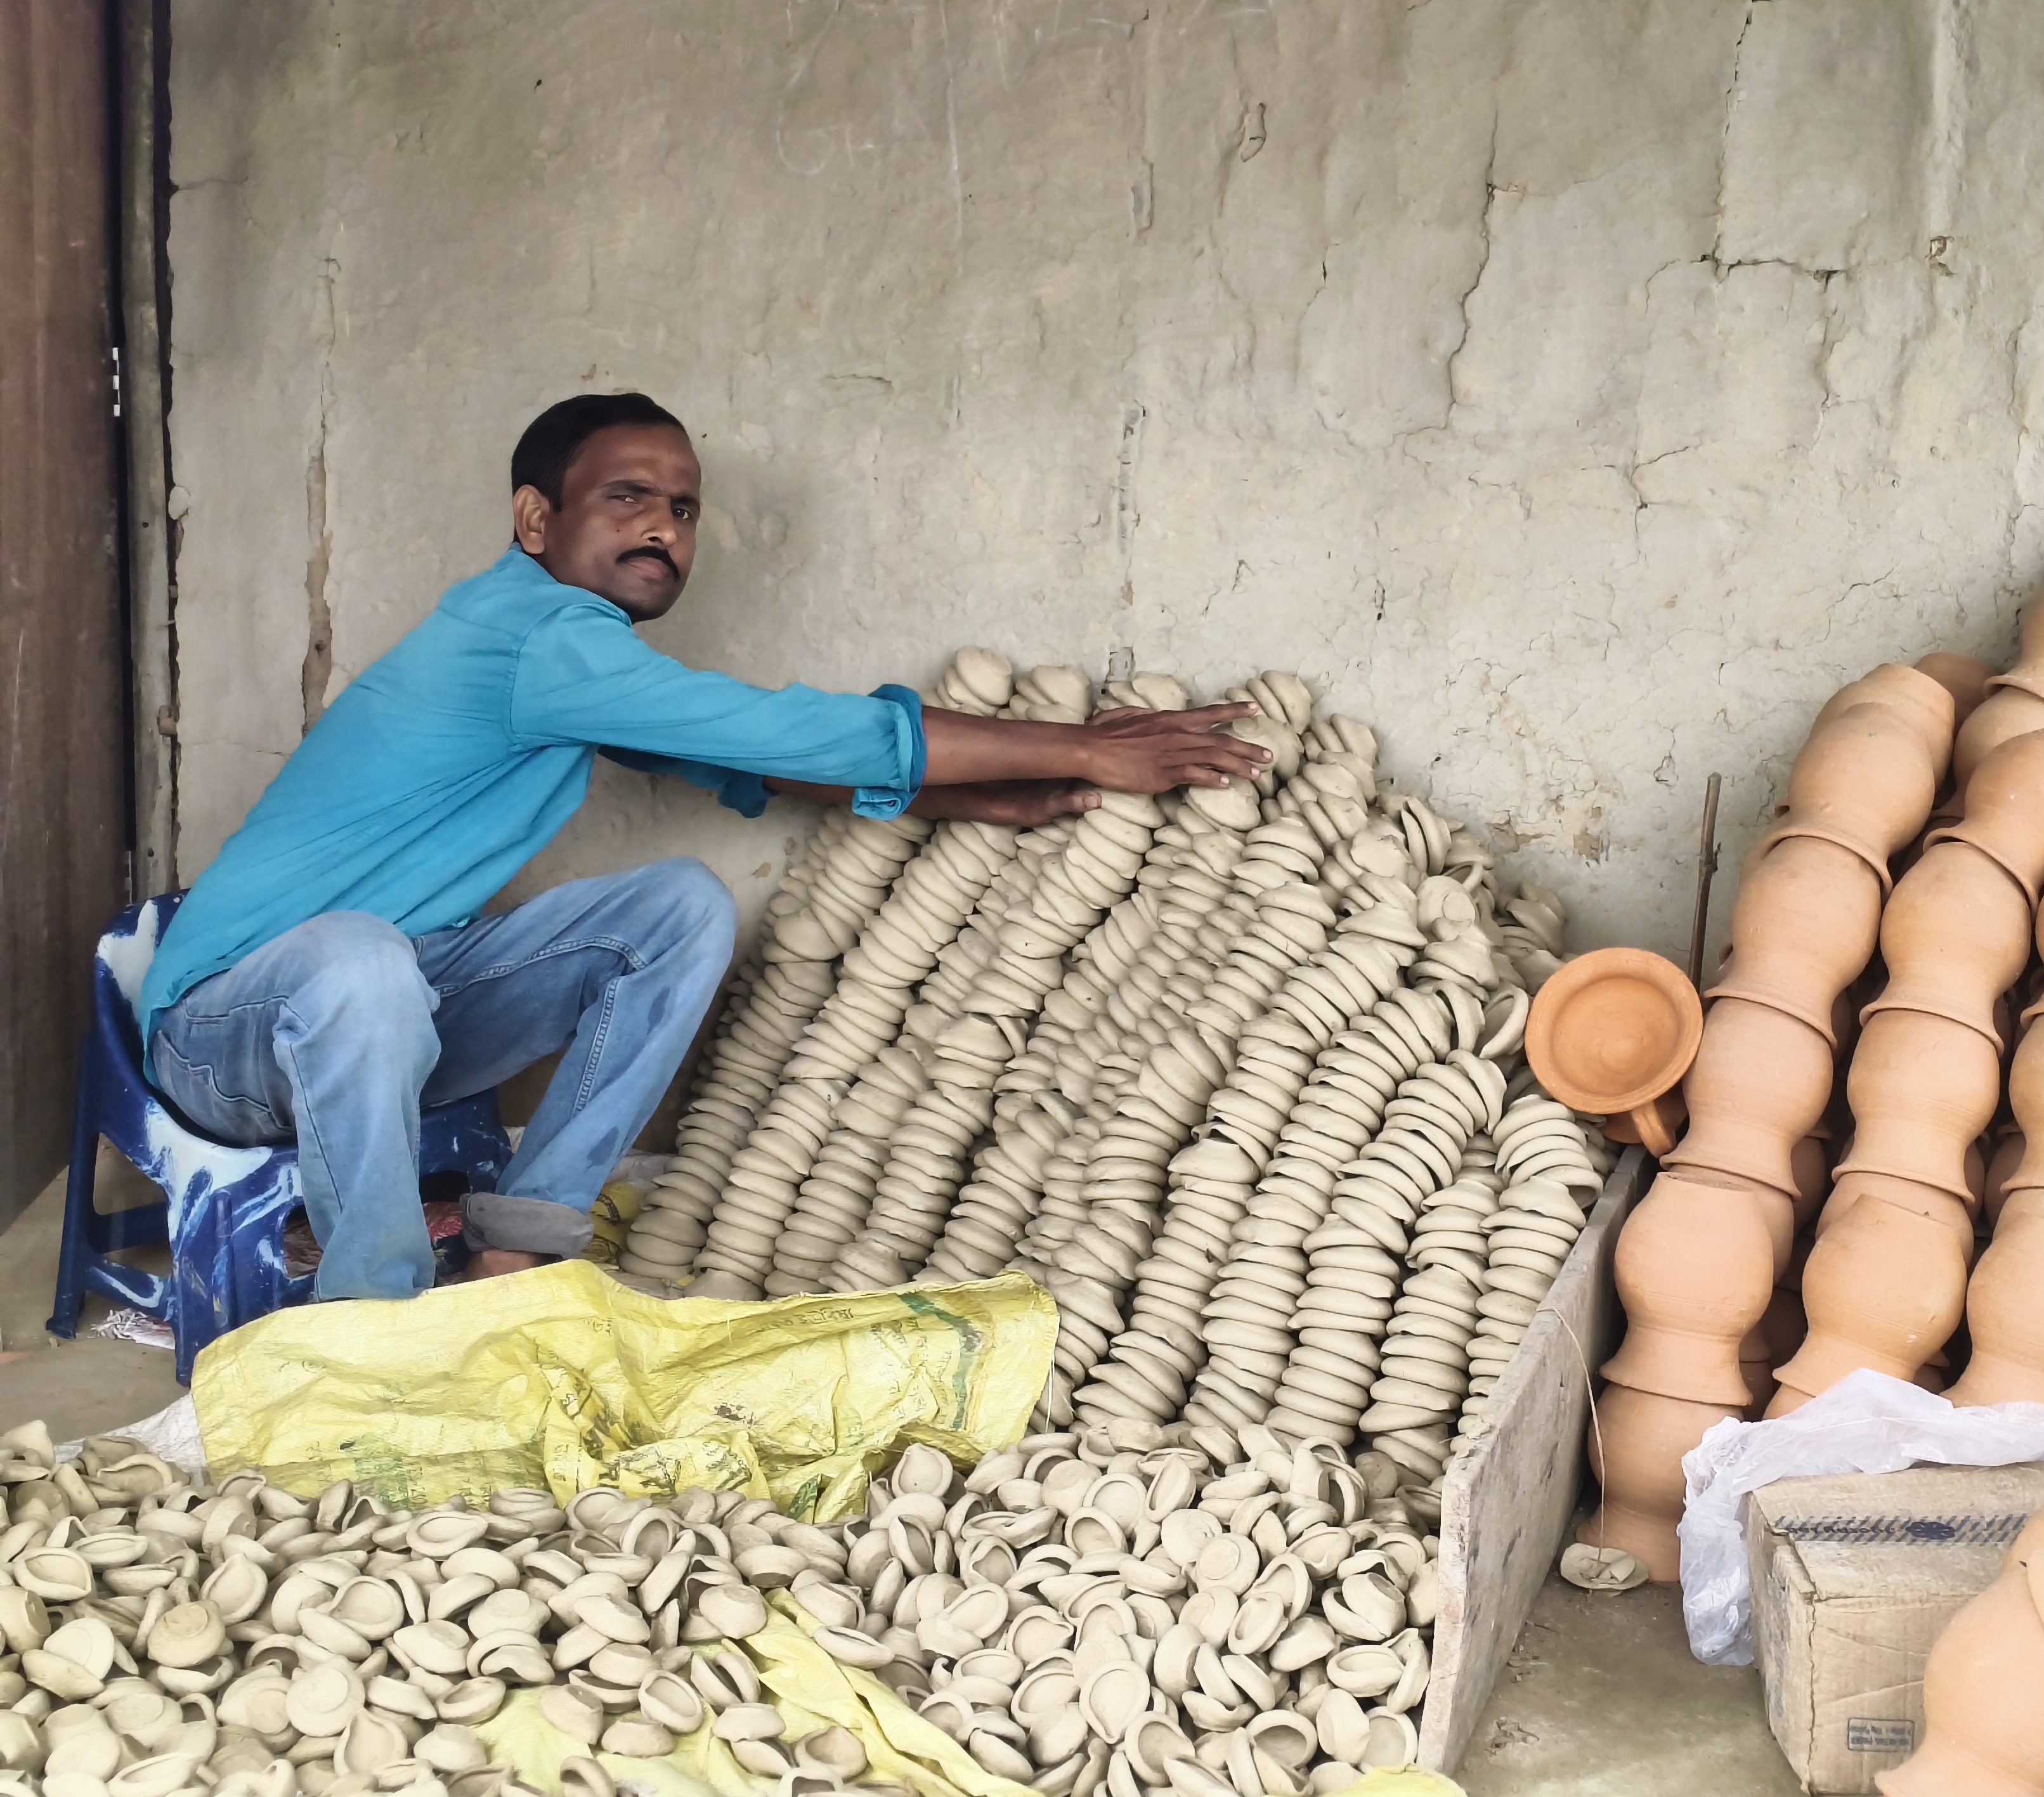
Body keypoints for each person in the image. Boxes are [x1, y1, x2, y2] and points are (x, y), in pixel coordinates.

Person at [138, 392, 1267, 1302]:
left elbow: (754, 768)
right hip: (227, 1029)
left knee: (679, 908)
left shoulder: (579, 663)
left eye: (681, 508)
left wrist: (994, 797)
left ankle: (514, 1254)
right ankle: (378, 1323)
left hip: (391, 1001)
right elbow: (778, 727)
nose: (662, 529)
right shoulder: (533, 636)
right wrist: (1081, 748)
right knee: (355, 959)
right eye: (627, 497)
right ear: (537, 521)